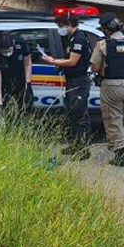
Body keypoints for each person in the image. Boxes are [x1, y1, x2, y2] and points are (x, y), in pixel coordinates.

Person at [90, 13, 124, 166]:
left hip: (112, 84)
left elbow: (95, 66)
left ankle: (119, 155)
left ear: (106, 29)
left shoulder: (103, 44)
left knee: (113, 119)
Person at [42, 14, 92, 159]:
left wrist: (53, 61)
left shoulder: (79, 39)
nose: (60, 29)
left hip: (79, 81)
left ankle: (83, 150)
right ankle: (75, 145)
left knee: (80, 115)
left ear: (68, 24)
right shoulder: (71, 39)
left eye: (61, 26)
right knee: (73, 114)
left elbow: (72, 62)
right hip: (72, 81)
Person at [0, 33, 33, 115]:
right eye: (4, 52)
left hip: (20, 76)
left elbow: (27, 63)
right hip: (4, 79)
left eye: (9, 50)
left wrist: (28, 82)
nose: (7, 53)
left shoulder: (20, 43)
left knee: (26, 106)